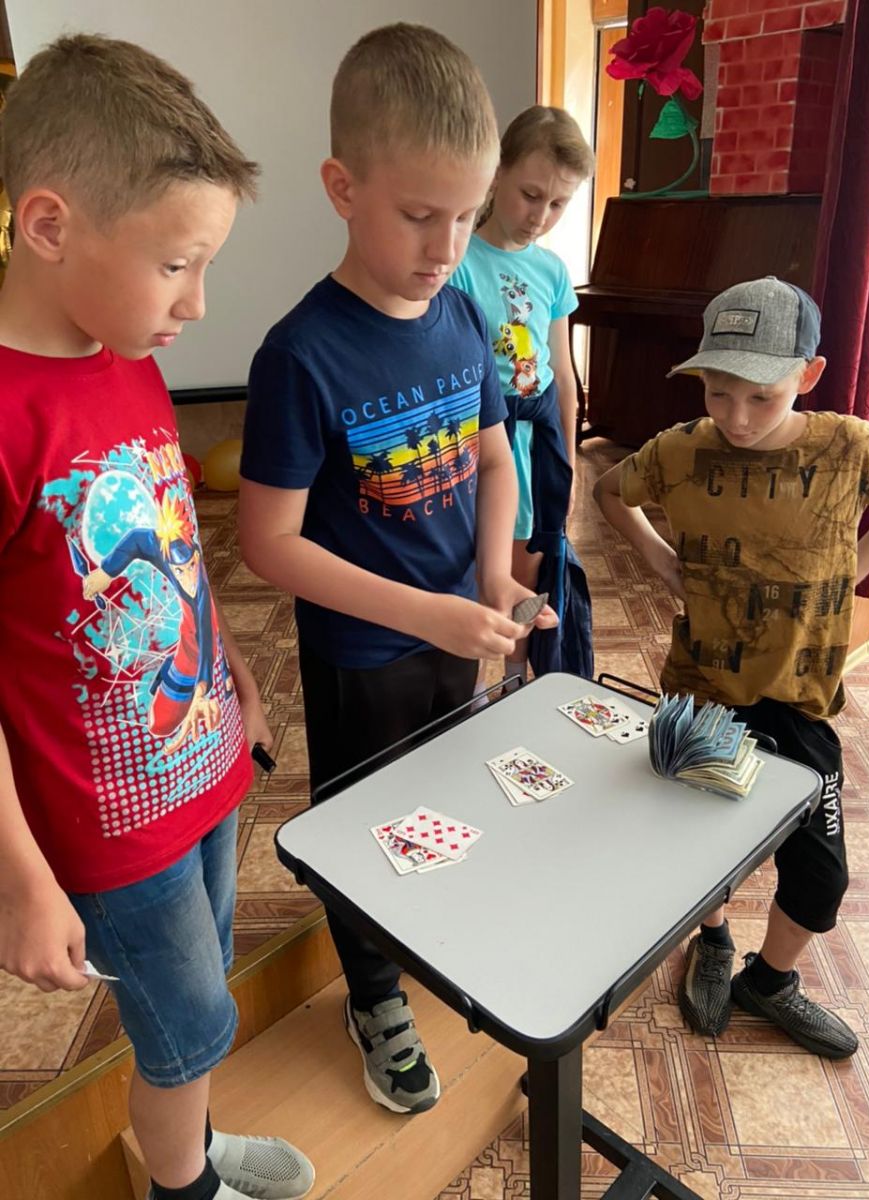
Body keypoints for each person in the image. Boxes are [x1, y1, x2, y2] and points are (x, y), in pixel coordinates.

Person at [0, 35, 314, 1200]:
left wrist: (236, 674)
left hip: (196, 761)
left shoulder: (127, 354)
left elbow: (177, 538)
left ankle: (192, 1144)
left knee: (202, 999)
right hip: (102, 824)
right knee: (183, 1024)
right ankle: (184, 1189)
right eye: (176, 264)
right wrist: (22, 878)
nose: (197, 303)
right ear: (49, 225)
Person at [239, 23, 554, 1116]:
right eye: (420, 215)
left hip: (451, 626)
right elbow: (268, 543)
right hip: (364, 650)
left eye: (465, 216)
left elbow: (493, 459)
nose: (446, 244)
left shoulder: (460, 312)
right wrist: (427, 612)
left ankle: (426, 937)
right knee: (364, 825)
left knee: (441, 795)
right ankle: (373, 994)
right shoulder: (300, 353)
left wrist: (491, 578)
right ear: (342, 187)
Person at [595, 276, 869, 1059]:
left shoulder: (852, 448)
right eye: (718, 391)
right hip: (704, 690)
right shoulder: (680, 450)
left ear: (809, 374)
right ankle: (715, 939)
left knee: (820, 875)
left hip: (799, 697)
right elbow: (608, 491)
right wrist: (658, 559)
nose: (735, 417)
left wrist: (855, 568)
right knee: (701, 847)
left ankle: (771, 982)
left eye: (760, 397)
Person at [452, 105, 593, 689]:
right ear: (497, 174)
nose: (540, 216)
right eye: (530, 195)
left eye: (558, 203)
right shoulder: (459, 262)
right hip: (479, 440)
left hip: (536, 445)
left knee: (529, 566)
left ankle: (515, 682)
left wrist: (569, 461)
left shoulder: (553, 271)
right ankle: (463, 683)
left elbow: (562, 373)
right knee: (473, 565)